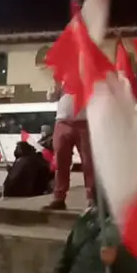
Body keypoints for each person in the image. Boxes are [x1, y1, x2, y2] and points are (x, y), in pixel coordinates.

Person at [45, 81, 96, 210]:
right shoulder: (61, 77)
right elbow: (50, 97)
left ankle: (92, 198)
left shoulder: (86, 71)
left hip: (84, 121)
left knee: (88, 162)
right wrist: (56, 86)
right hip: (62, 121)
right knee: (61, 161)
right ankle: (59, 198)